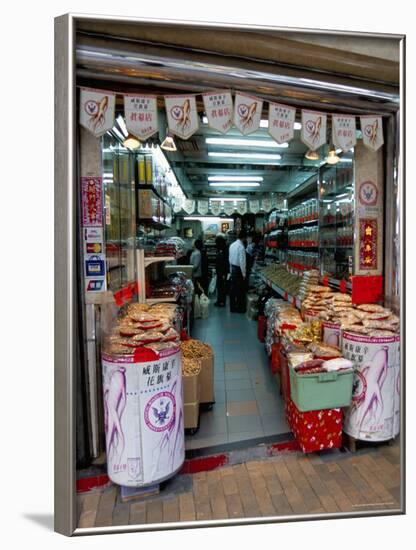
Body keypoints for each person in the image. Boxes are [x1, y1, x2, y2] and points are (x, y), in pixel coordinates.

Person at [229, 229, 247, 313]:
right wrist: (244, 273)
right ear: (244, 238)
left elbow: (229, 259)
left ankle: (232, 307)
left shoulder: (232, 245)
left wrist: (230, 270)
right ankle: (240, 308)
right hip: (238, 270)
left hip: (232, 268)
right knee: (240, 290)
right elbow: (242, 261)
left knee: (233, 289)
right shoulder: (241, 247)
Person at [214, 234, 228, 307]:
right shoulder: (220, 249)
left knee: (222, 287)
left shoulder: (224, 250)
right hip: (219, 272)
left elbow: (225, 263)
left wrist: (224, 274)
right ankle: (219, 300)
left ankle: (222, 302)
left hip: (222, 272)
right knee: (219, 287)